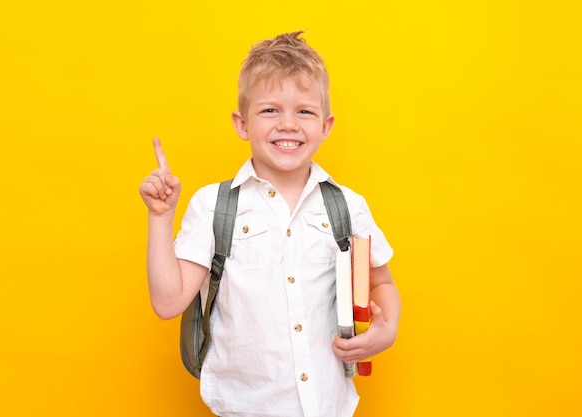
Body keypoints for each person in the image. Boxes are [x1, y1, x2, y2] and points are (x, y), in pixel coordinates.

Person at [139, 31, 401, 417]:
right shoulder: (214, 206)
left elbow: (382, 281)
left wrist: (387, 329)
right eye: (270, 110)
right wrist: (161, 218)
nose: (288, 124)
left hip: (329, 407)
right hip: (243, 408)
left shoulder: (347, 206)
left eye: (305, 112)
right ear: (241, 123)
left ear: (326, 126)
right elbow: (168, 301)